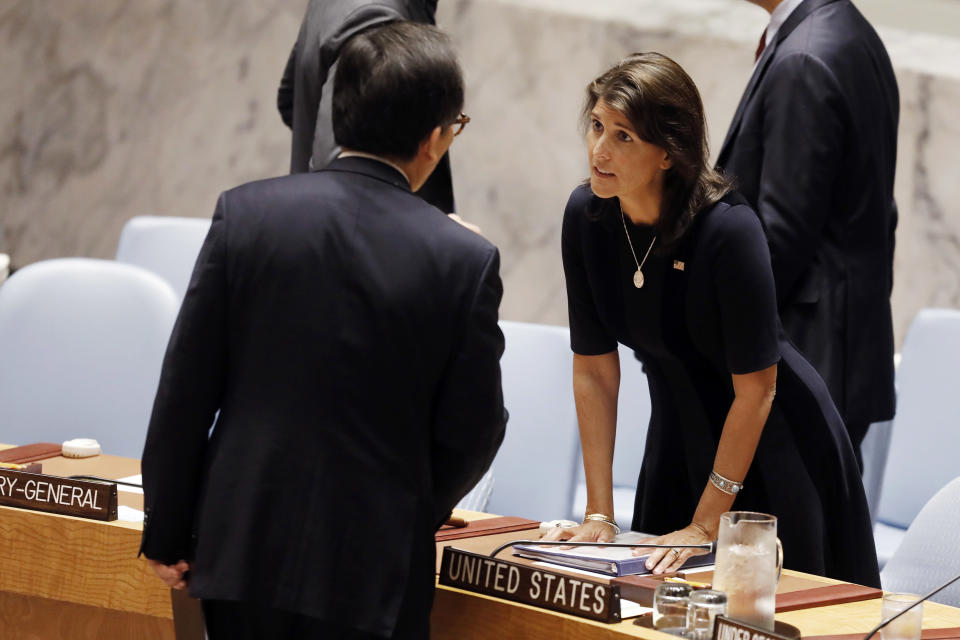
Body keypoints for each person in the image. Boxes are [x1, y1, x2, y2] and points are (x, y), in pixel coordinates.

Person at [140, 22, 507, 639]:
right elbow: (474, 429)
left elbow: (186, 389)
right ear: (435, 139)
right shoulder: (462, 259)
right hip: (376, 569)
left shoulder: (246, 215)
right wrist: (411, 504)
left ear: (339, 116)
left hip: (240, 549)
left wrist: (169, 531)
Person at [545, 52, 879, 587]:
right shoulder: (587, 218)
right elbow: (595, 370)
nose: (599, 149)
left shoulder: (728, 230)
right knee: (655, 608)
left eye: (624, 136)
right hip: (678, 434)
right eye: (596, 126)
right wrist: (599, 515)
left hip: (772, 440)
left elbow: (758, 391)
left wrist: (707, 523)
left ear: (667, 154)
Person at [716, 0, 899, 468]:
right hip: (830, 350)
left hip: (802, 358)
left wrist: (706, 322)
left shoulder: (805, 58)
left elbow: (780, 239)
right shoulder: (846, 30)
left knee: (786, 537)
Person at [277, 0, 456, 213]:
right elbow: (347, 173)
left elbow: (289, 100)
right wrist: (434, 234)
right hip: (368, 237)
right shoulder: (373, 18)